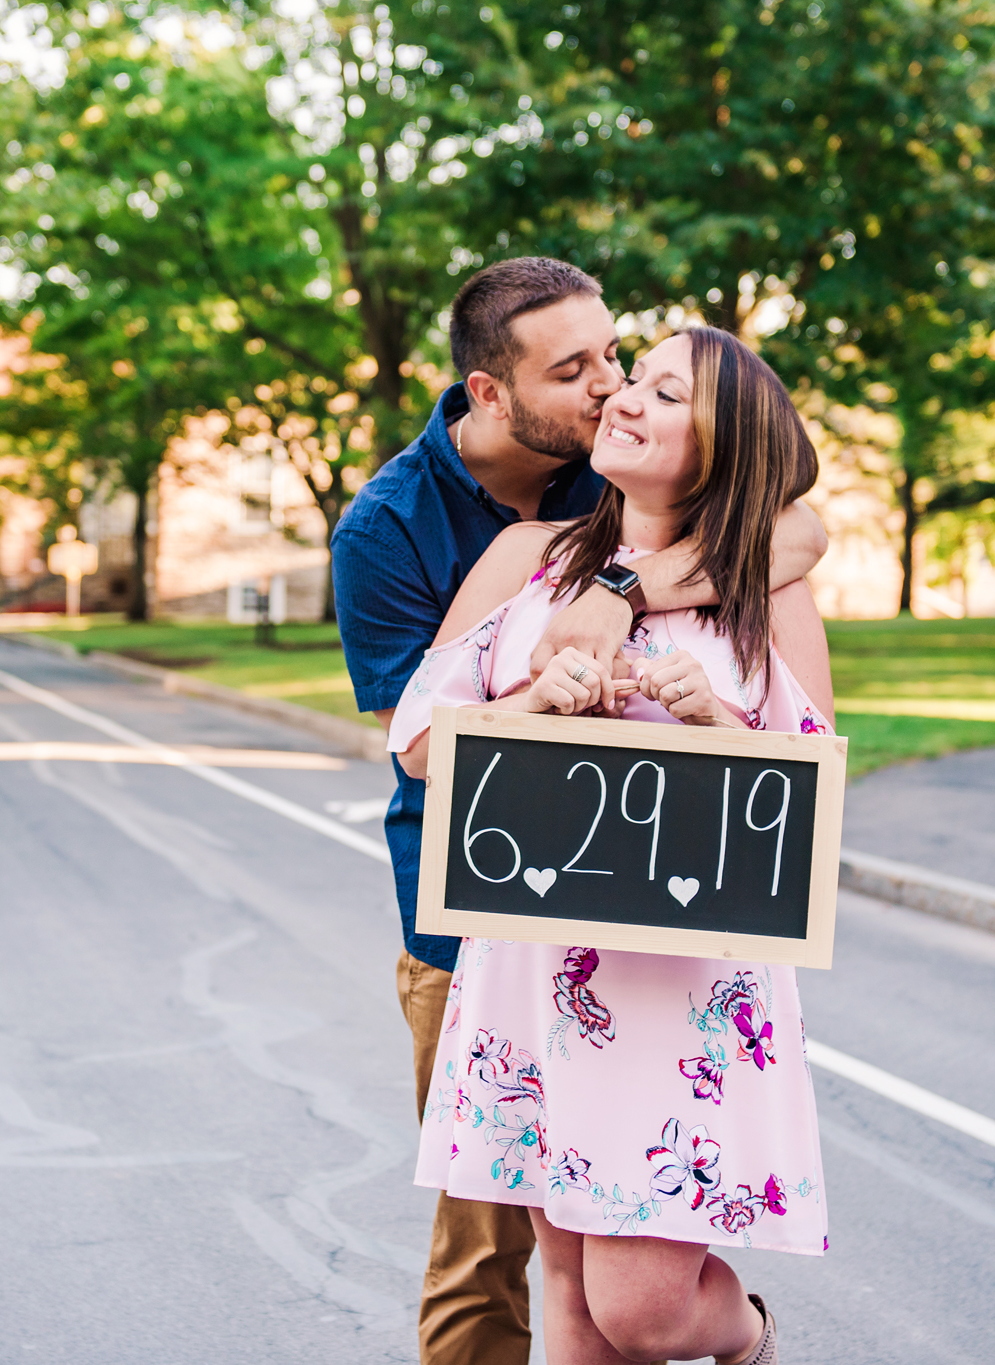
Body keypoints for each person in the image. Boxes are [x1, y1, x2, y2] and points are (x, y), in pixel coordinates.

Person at [330, 257, 829, 1365]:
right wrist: (527, 697)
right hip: (526, 962)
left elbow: (808, 794)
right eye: (603, 375)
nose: (614, 393)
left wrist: (711, 720)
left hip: (680, 988)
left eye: (650, 383)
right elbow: (416, 741)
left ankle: (740, 1336)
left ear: (718, 447)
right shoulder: (511, 553)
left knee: (641, 1310)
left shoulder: (762, 575)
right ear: (489, 393)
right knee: (547, 1282)